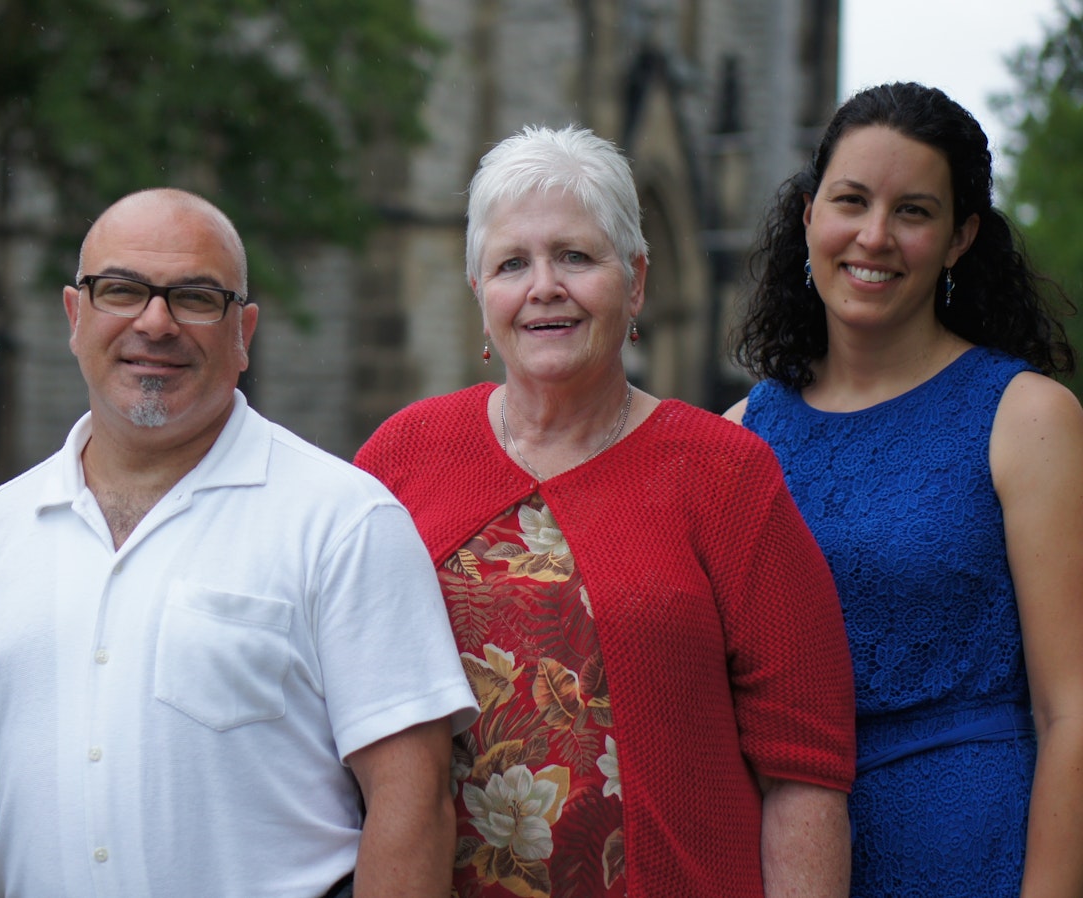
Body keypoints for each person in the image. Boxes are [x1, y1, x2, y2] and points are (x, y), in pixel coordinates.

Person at [0, 188, 478, 898]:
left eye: (197, 298)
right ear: (74, 318)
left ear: (244, 332)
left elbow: (411, 802)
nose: (155, 322)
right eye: (121, 291)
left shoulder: (344, 523)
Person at [355, 124, 856, 897]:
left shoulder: (727, 475)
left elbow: (805, 772)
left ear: (637, 282)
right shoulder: (404, 455)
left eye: (576, 256)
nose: (543, 286)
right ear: (480, 295)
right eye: (512, 264)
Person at [727, 82, 1083, 897]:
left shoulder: (1026, 418)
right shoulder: (744, 432)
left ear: (960, 238)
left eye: (914, 212)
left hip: (976, 853)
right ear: (810, 214)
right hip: (787, 858)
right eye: (851, 201)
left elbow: (1074, 713)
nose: (875, 237)